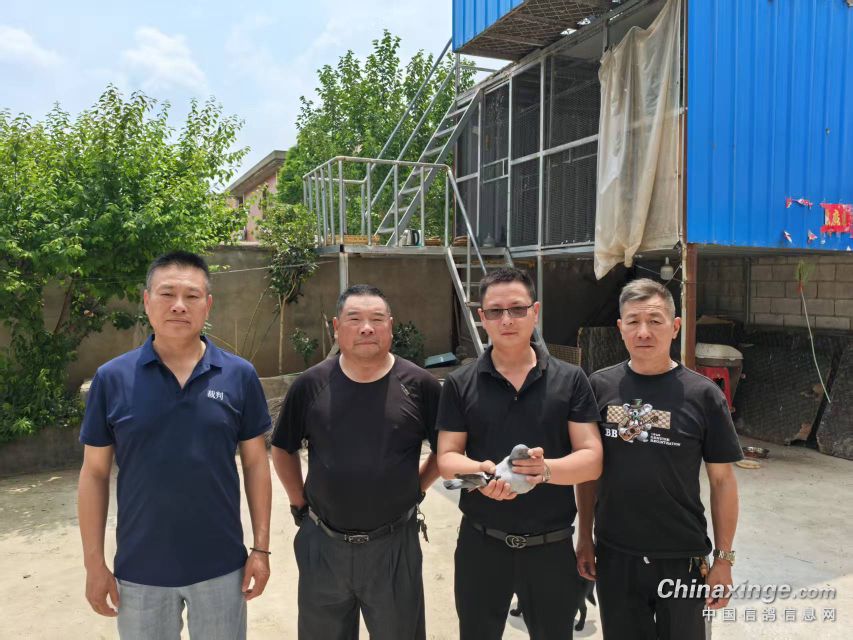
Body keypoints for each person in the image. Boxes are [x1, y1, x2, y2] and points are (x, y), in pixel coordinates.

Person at [77, 251, 272, 640]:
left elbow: (255, 464)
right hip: (140, 571)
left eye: (192, 296)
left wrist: (261, 549)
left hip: (221, 567)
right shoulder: (112, 379)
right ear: (147, 301)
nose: (179, 305)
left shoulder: (239, 375)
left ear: (207, 305)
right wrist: (94, 564)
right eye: (167, 294)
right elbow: (95, 473)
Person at [436, 267, 603, 640]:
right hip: (481, 546)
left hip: (551, 547)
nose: (506, 320)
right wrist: (481, 475)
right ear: (482, 317)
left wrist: (544, 471)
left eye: (517, 309)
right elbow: (447, 458)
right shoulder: (461, 383)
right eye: (495, 311)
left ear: (535, 312)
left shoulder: (570, 379)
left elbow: (592, 459)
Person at [270, 284, 441, 640]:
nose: (366, 328)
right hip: (323, 543)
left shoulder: (420, 385)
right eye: (354, 319)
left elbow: (446, 450)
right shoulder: (311, 385)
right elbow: (283, 448)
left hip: (394, 545)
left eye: (377, 319)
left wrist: (417, 488)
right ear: (337, 327)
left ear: (390, 326)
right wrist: (298, 501)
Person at [576, 278, 742, 640]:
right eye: (633, 321)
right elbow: (588, 472)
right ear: (620, 328)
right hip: (616, 554)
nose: (643, 332)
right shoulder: (599, 387)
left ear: (675, 326)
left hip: (681, 556)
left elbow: (722, 482)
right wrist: (585, 535)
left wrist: (724, 560)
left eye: (655, 320)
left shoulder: (703, 395)